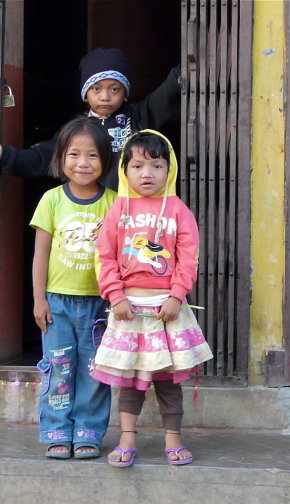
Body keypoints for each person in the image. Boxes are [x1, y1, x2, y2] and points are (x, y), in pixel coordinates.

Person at [92, 130, 213, 467]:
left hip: (167, 311)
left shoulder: (177, 210)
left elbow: (189, 256)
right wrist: (115, 295)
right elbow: (104, 256)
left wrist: (177, 295)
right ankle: (127, 437)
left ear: (169, 169)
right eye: (138, 166)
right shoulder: (118, 209)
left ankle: (173, 437)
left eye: (157, 166)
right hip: (127, 310)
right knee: (131, 379)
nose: (147, 174)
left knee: (167, 380)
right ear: (124, 170)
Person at [30, 116, 117, 459]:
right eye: (74, 154)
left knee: (96, 370)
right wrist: (39, 299)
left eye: (93, 155)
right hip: (58, 302)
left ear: (106, 161)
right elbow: (41, 253)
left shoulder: (113, 202)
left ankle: (88, 432)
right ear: (61, 157)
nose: (83, 163)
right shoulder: (51, 200)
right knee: (58, 366)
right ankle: (56, 430)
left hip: (100, 304)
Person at [0, 48, 180, 188]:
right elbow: (43, 158)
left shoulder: (138, 116)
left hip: (130, 212)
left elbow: (165, 96)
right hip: (88, 214)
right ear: (85, 94)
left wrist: (187, 67)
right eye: (96, 89)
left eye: (115, 89)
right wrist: (6, 155)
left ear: (125, 93)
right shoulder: (77, 129)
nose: (105, 96)